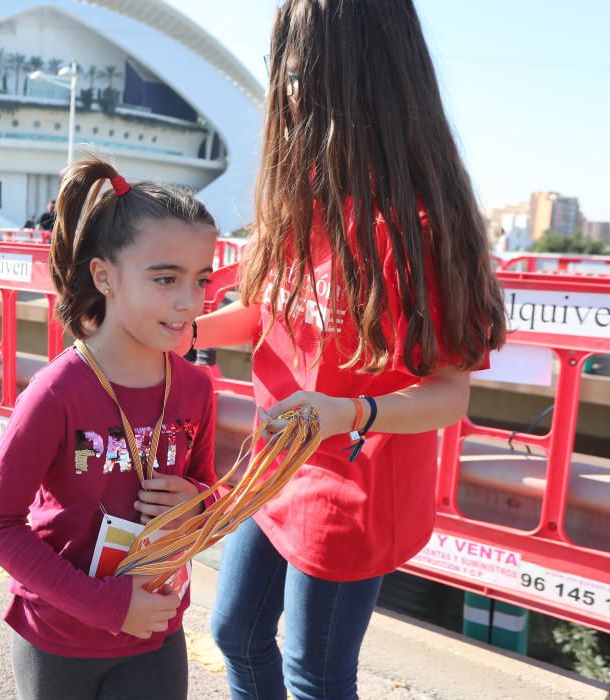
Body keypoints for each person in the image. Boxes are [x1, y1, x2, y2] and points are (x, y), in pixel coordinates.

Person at [185, 2, 507, 698]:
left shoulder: (420, 227)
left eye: (300, 76)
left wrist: (345, 412)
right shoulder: (304, 194)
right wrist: (179, 332)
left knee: (315, 673)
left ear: (359, 83)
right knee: (234, 636)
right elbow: (265, 315)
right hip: (276, 468)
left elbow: (450, 393)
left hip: (351, 489)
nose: (287, 92)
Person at [0, 156, 220, 700]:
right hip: (60, 641)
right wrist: (108, 605)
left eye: (201, 280)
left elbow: (207, 492)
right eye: (165, 278)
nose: (189, 301)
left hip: (156, 633)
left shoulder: (196, 388)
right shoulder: (56, 392)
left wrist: (197, 501)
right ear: (105, 276)